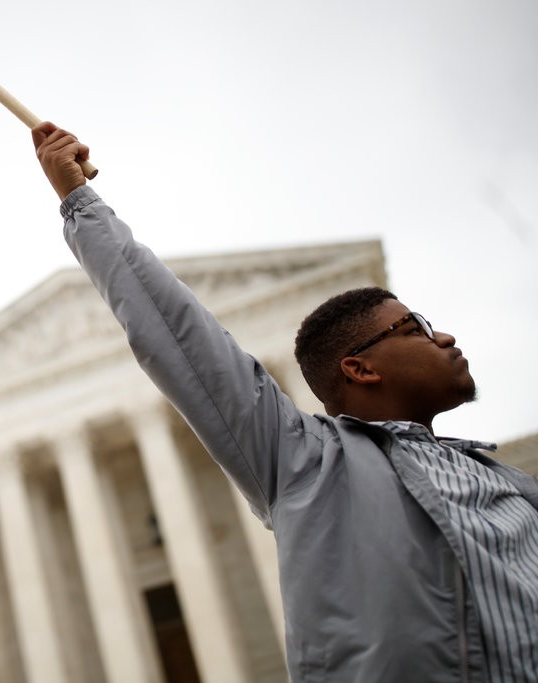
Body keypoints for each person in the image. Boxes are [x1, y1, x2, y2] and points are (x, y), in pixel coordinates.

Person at [30, 121, 538, 682]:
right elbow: (179, 337)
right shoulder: (307, 463)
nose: (443, 337)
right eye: (415, 328)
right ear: (360, 367)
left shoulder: (510, 483)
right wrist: (78, 201)